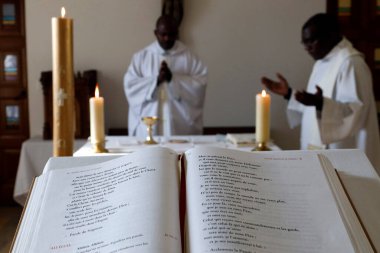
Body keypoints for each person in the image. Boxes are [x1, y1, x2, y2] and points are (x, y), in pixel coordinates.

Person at [261, 13, 380, 172]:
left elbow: (356, 112)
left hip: (344, 155)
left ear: (332, 35)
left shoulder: (350, 63)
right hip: (318, 150)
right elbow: (314, 107)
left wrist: (321, 104)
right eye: (304, 43)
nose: (307, 48)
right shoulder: (321, 62)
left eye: (311, 41)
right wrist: (290, 94)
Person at [124, 15, 208, 138]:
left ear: (177, 33)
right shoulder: (141, 57)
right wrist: (156, 81)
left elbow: (200, 85)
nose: (167, 38)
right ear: (155, 33)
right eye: (163, 34)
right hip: (148, 127)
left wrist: (172, 79)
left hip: (180, 127)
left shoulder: (190, 57)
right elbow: (130, 85)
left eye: (171, 34)